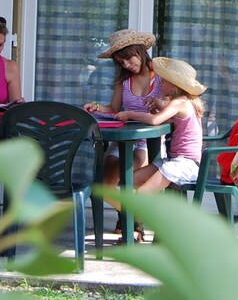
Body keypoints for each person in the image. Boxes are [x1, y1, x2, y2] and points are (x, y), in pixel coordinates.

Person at [116, 56, 206, 240]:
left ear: (173, 86)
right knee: (127, 182)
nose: (160, 83)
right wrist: (158, 106)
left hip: (184, 165)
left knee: (140, 195)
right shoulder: (186, 101)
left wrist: (130, 113)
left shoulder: (179, 103)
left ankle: (134, 234)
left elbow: (155, 121)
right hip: (174, 162)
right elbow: (165, 116)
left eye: (163, 81)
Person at [84, 29, 161, 188]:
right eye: (120, 62)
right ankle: (130, 213)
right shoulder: (124, 80)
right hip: (123, 141)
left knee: (128, 179)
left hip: (149, 142)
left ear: (138, 51)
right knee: (104, 186)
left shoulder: (161, 75)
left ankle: (131, 212)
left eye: (127, 58)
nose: (126, 65)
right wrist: (96, 107)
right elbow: (113, 108)